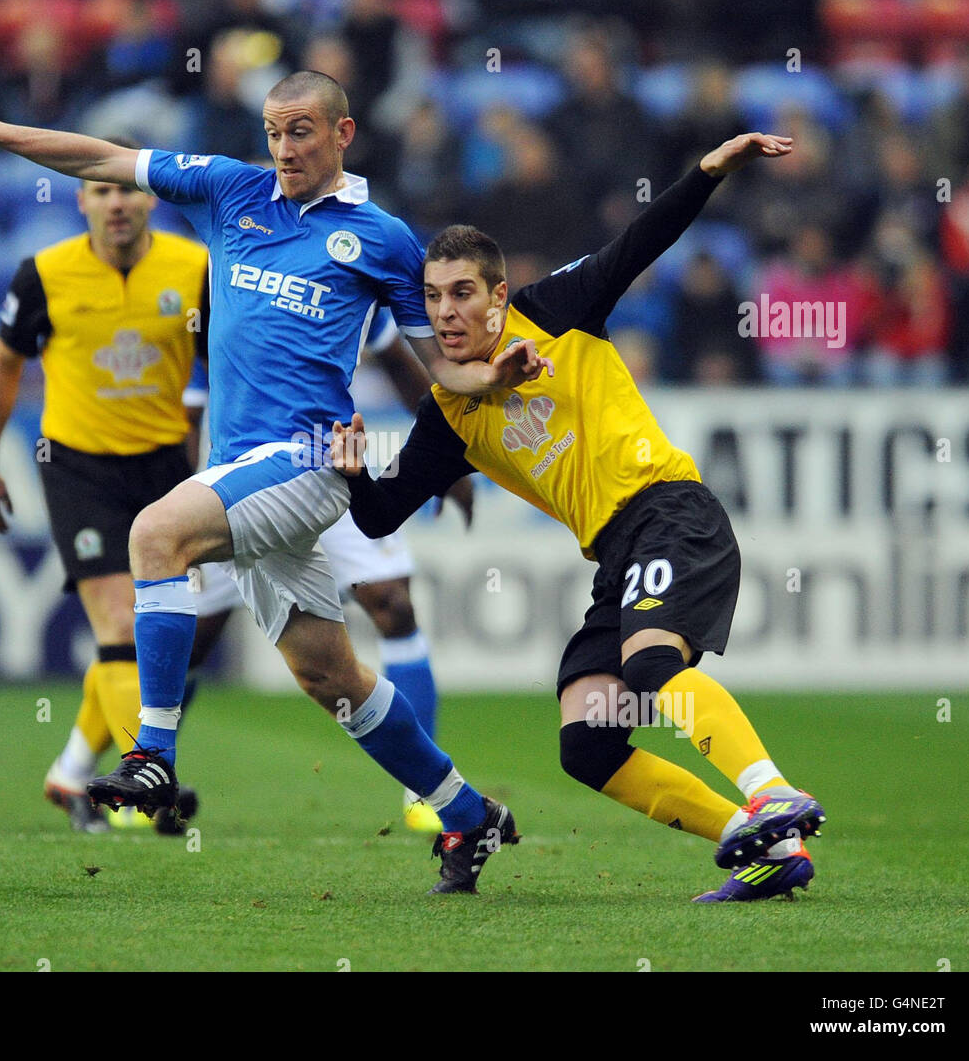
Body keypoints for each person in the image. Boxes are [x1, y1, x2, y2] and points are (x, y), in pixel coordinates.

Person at [0, 50, 549, 892]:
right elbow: (99, 156)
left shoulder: (385, 240)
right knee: (333, 676)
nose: (284, 146)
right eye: (274, 131)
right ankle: (468, 815)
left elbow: (438, 367)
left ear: (343, 133)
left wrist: (490, 376)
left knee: (155, 533)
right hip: (240, 464)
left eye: (302, 131)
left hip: (309, 459)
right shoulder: (230, 189)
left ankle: (153, 757)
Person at [332, 132, 830, 903]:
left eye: (463, 292)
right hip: (617, 553)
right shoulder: (449, 415)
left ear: (499, 295)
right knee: (589, 739)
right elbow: (375, 516)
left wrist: (708, 172)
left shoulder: (555, 310)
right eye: (433, 297)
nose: (447, 310)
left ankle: (770, 790)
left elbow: (638, 242)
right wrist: (352, 472)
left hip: (670, 511)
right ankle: (761, 841)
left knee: (652, 666)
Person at [0, 168, 207, 835]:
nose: (116, 202)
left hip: (167, 465)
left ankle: (74, 769)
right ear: (81, 202)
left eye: (126, 189)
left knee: (160, 635)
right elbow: (4, 366)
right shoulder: (43, 275)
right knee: (120, 619)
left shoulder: (195, 268)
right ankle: (151, 780)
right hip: (79, 465)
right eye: (101, 191)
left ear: (150, 198)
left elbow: (230, 361)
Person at [185, 307, 475, 833]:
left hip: (328, 467)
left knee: (394, 604)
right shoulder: (230, 280)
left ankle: (425, 791)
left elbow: (398, 365)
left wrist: (445, 456)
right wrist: (184, 514)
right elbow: (189, 412)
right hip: (236, 481)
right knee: (192, 638)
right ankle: (144, 770)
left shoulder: (346, 269)